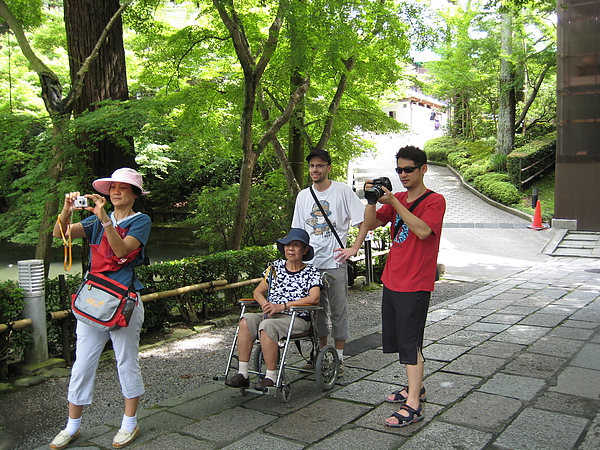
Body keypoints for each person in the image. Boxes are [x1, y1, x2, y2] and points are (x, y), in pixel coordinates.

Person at [50, 168, 151, 449]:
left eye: (123, 188)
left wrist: (105, 219)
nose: (116, 192)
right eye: (113, 187)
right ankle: (72, 426)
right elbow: (61, 234)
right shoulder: (94, 221)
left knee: (126, 361)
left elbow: (121, 251)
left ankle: (129, 423)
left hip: (124, 303)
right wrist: (67, 209)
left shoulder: (141, 221)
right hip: (94, 301)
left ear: (134, 194)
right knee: (82, 362)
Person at [362, 146, 445, 428]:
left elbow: (422, 231)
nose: (403, 175)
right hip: (393, 279)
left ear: (423, 169)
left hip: (416, 282)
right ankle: (415, 388)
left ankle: (413, 405)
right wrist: (371, 197)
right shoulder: (396, 198)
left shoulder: (435, 200)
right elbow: (371, 223)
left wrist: (396, 205)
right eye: (399, 170)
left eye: (408, 169)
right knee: (401, 340)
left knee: (411, 343)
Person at [291, 148, 367, 375]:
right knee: (316, 312)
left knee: (338, 311)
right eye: (312, 166)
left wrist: (353, 248)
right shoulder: (303, 196)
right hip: (311, 265)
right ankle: (322, 354)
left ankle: (339, 358)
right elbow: (297, 231)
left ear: (328, 168)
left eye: (320, 165)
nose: (315, 169)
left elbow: (363, 220)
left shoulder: (342, 191)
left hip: (335, 263)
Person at [224, 228, 322, 391]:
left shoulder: (311, 271)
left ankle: (271, 377)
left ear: (304, 250)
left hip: (297, 318)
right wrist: (264, 304)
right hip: (271, 314)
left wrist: (282, 306)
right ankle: (243, 374)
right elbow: (257, 292)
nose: (290, 249)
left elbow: (314, 298)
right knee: (246, 320)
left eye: (296, 245)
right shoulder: (275, 267)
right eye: (287, 245)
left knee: (267, 326)